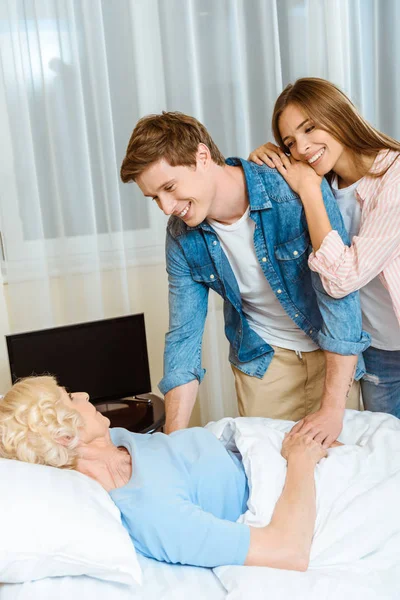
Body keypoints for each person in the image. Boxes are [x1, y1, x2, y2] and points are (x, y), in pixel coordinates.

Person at [120, 112, 369, 447]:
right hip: (263, 363)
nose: (166, 207)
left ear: (202, 157)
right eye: (155, 197)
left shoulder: (293, 190)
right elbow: (183, 338)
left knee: (337, 472)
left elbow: (340, 299)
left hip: (331, 351)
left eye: (169, 187)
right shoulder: (181, 237)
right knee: (269, 476)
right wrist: (172, 444)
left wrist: (332, 408)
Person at [0, 375, 333, 570]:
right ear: (64, 435)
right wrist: (301, 459)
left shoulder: (115, 442)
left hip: (256, 446)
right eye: (71, 398)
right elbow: (288, 551)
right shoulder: (151, 511)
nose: (84, 395)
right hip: (285, 479)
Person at [249, 77, 400, 418]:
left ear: (339, 115)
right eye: (289, 142)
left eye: (309, 128)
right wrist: (259, 168)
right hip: (375, 350)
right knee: (388, 459)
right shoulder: (324, 182)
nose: (301, 148)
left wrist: (310, 191)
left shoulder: (394, 177)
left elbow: (342, 278)